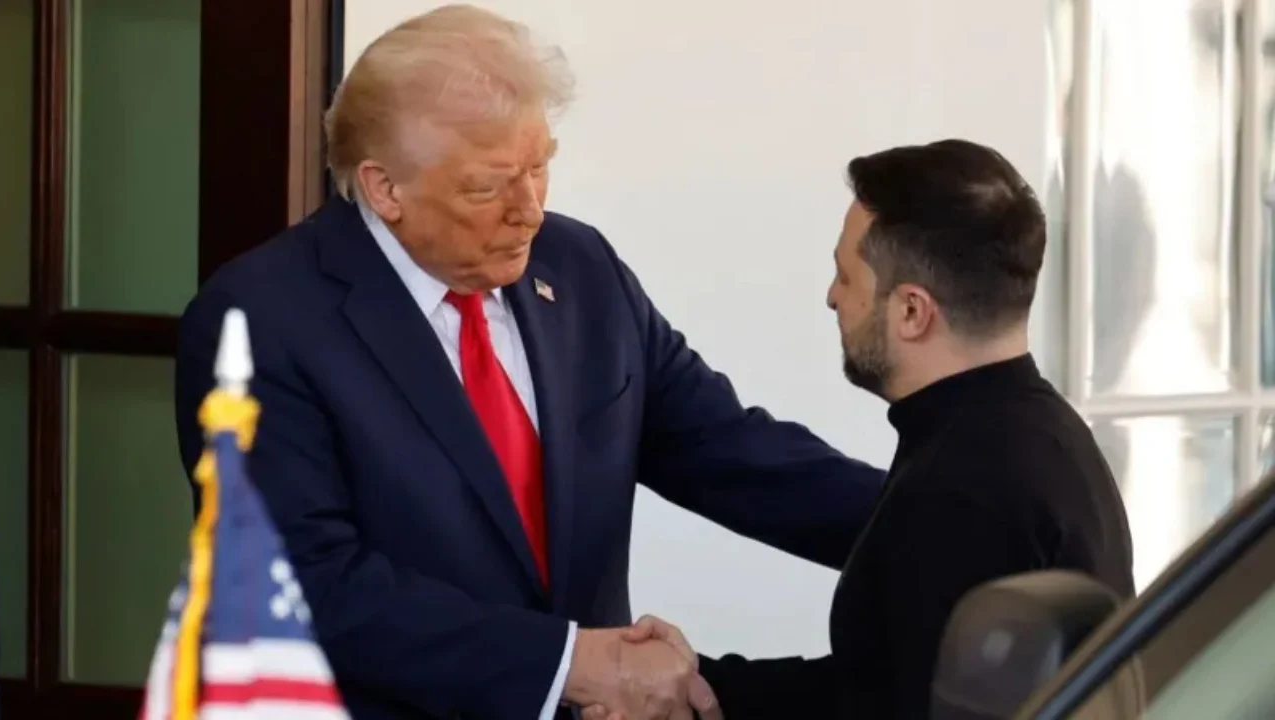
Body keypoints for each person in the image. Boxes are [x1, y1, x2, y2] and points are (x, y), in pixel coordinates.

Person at [173, 5, 885, 720]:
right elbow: (305, 583)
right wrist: (567, 664)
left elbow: (726, 449)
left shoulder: (579, 267)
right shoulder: (262, 320)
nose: (531, 210)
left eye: (540, 167)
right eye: (488, 187)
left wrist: (927, 525)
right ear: (384, 188)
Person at [606, 139, 1136, 719]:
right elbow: (882, 684)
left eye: (846, 276)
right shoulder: (1049, 434)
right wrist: (706, 686)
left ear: (912, 311)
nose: (832, 297)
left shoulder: (958, 489)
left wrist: (690, 692)